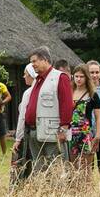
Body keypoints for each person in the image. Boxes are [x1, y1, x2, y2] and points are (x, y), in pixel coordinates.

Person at [21, 46, 73, 175]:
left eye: (34, 61)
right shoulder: (38, 80)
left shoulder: (60, 77)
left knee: (55, 168)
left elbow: (66, 105)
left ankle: (56, 194)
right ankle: (42, 193)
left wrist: (63, 129)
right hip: (34, 131)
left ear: (44, 59)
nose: (32, 65)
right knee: (38, 169)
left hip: (52, 132)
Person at [69, 64, 100, 176]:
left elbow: (98, 117)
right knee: (72, 168)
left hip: (86, 134)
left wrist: (97, 135)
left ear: (86, 77)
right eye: (76, 76)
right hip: (71, 134)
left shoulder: (93, 95)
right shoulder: (69, 93)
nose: (78, 79)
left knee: (86, 169)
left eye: (81, 76)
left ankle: (86, 191)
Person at [11, 64, 37, 183]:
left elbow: (23, 117)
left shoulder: (28, 92)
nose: (24, 76)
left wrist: (18, 138)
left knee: (24, 162)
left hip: (28, 133)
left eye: (26, 74)